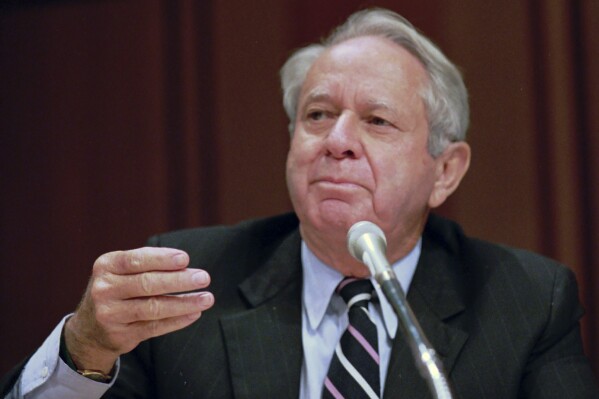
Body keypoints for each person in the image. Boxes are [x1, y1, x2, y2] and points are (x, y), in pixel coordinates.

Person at [2, 7, 598, 399]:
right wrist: (85, 349)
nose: (337, 141)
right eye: (317, 115)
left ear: (445, 171)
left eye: (377, 121)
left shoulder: (524, 300)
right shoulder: (185, 280)